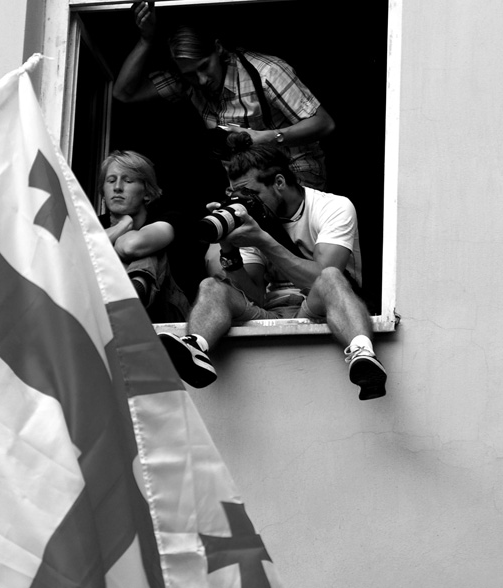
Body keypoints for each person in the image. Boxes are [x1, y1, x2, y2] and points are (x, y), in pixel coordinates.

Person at [159, 134, 387, 400]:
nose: (246, 203)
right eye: (238, 195)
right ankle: (196, 346)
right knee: (211, 286)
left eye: (252, 194)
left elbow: (323, 278)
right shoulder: (249, 218)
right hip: (271, 310)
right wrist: (228, 248)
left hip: (317, 306)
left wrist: (263, 241)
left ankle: (362, 353)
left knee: (331, 277)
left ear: (279, 182)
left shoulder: (332, 207)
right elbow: (254, 295)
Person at [113, 1, 335, 190]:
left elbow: (324, 123)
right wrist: (146, 40)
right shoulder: (188, 82)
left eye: (204, 66)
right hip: (246, 182)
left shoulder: (266, 72)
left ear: (218, 49)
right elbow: (123, 93)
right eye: (191, 74)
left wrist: (266, 137)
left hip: (295, 172)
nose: (201, 79)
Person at [98, 150, 189, 321]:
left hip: (167, 313)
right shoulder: (93, 225)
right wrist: (123, 225)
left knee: (148, 251)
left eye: (128, 181)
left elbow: (130, 246)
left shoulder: (167, 218)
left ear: (147, 192)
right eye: (111, 181)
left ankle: (130, 298)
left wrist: (121, 229)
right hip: (104, 305)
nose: (117, 187)